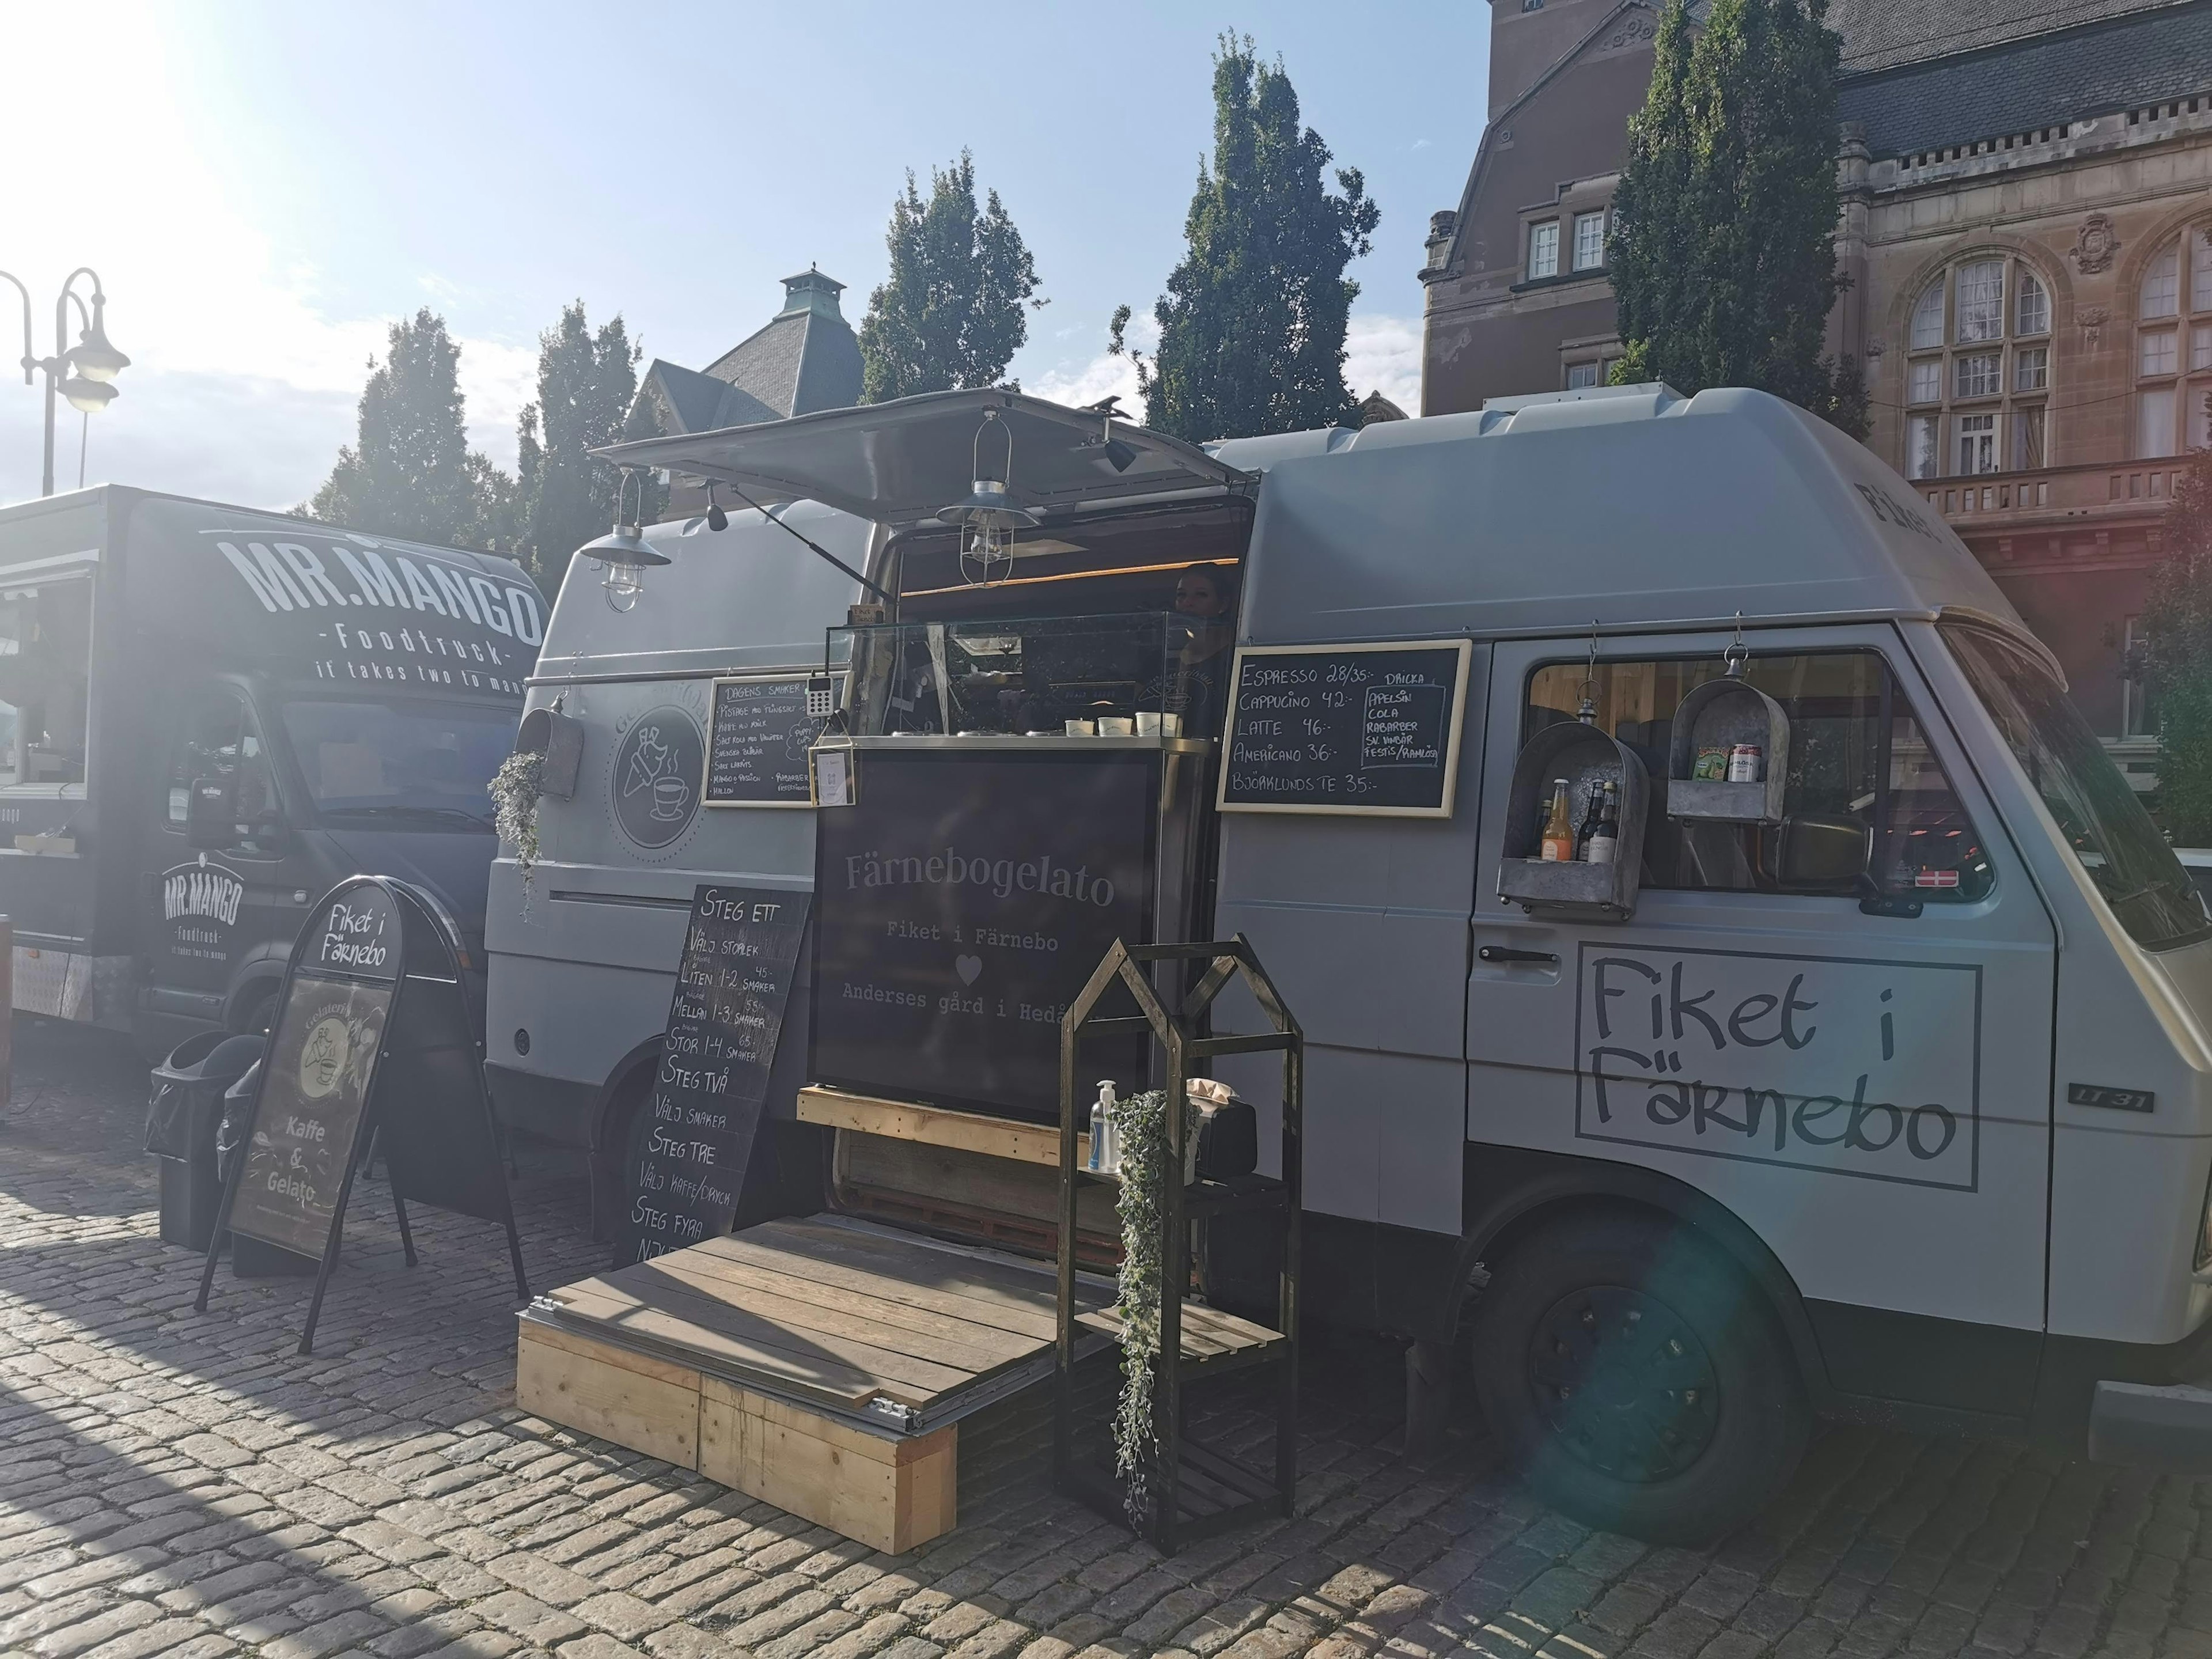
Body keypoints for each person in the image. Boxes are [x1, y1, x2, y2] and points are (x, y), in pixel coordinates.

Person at [1168, 563, 1236, 736]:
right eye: (1181, 596)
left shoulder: (1236, 657)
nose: (1188, 603)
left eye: (1201, 595)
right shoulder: (1161, 656)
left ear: (1223, 604)